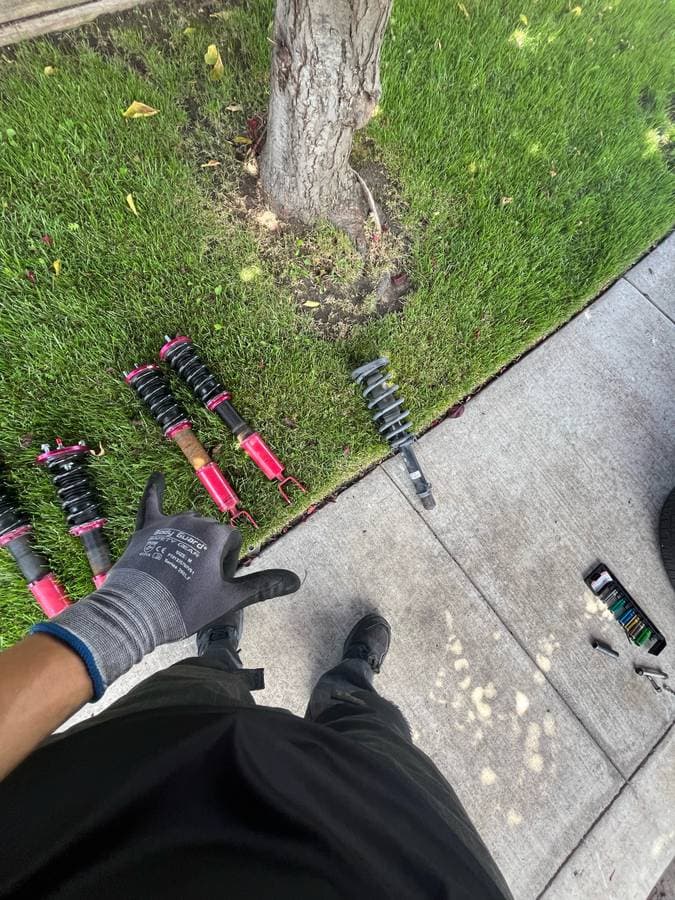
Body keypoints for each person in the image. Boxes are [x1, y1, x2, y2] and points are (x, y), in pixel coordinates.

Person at [0, 474, 512, 899]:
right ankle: (350, 683)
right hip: (404, 848)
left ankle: (219, 657)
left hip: (136, 776)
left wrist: (125, 615)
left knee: (199, 687)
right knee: (372, 728)